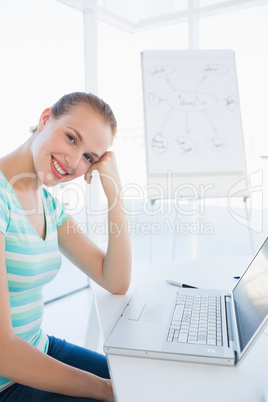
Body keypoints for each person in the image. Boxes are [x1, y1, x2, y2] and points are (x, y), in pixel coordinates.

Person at [0, 92, 132, 401]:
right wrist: (104, 389)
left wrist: (114, 190)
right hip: (7, 379)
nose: (73, 162)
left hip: (39, 347)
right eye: (71, 138)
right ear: (45, 119)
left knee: (140, 381)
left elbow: (115, 280)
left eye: (89, 157)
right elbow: (4, 352)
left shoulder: (47, 203)